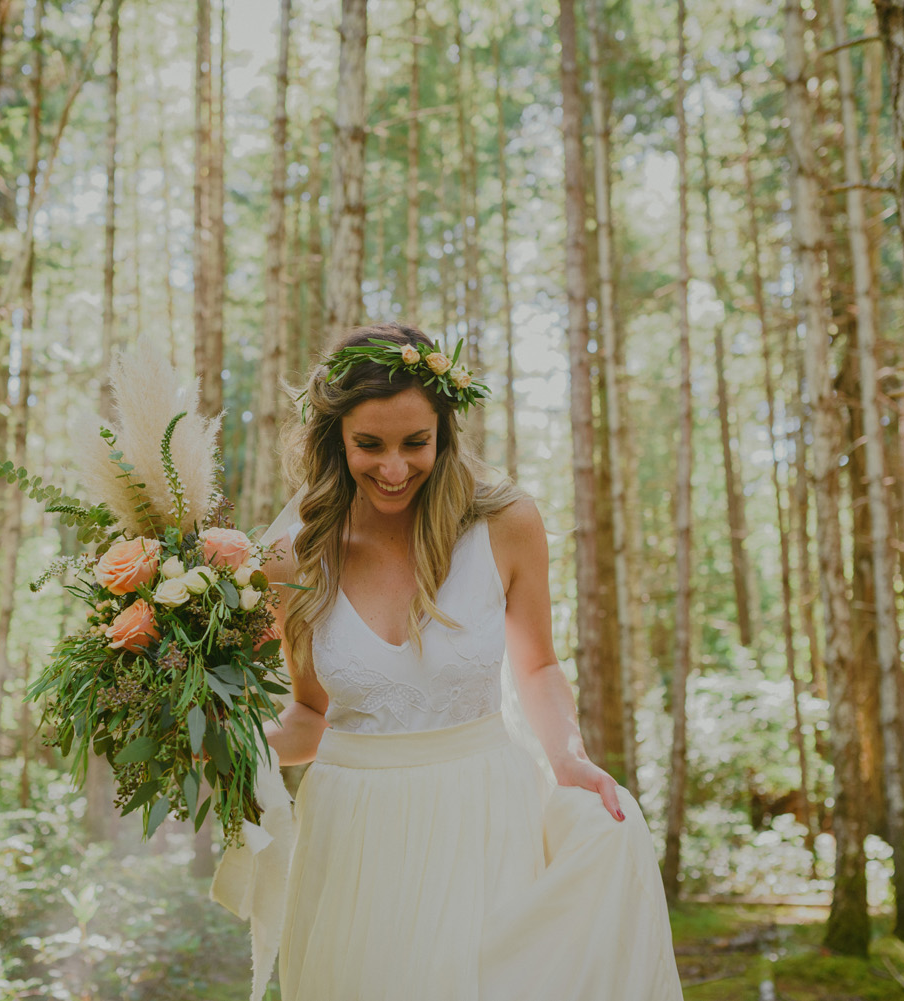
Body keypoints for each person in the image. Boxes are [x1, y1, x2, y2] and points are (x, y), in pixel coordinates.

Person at [212, 323, 683, 1001]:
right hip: (352, 837)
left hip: (482, 813)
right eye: (369, 444)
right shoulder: (293, 558)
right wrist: (224, 748)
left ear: (445, 432)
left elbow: (540, 666)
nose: (394, 468)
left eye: (416, 442)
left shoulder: (507, 525)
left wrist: (569, 756)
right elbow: (311, 717)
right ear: (335, 438)